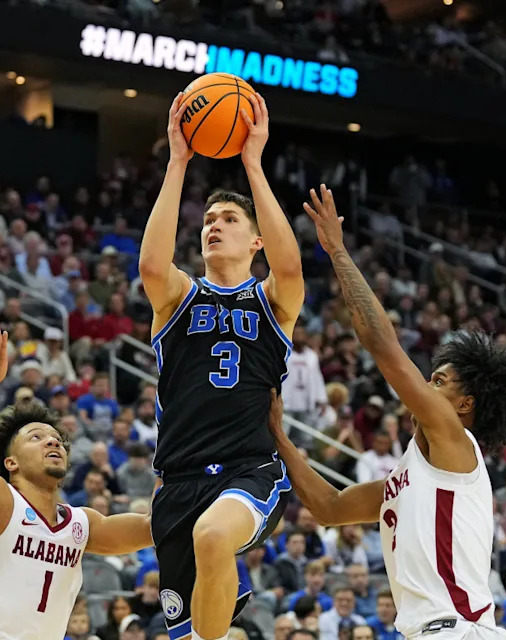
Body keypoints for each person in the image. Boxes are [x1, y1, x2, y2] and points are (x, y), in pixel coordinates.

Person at [268, 186, 506, 640]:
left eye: (440, 382)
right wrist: (277, 433)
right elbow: (329, 508)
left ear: (465, 405)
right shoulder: (408, 477)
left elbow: (382, 344)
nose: (427, 385)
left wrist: (337, 252)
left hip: (458, 632)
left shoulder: (455, 440)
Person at [139, 92, 303, 640]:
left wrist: (253, 162)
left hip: (248, 469)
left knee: (212, 536)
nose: (214, 225)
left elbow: (290, 265)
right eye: (208, 219)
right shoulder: (178, 296)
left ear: (255, 240)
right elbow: (151, 264)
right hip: (179, 479)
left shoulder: (272, 300)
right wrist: (177, 161)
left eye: (230, 219)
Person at [0, 309, 154, 640]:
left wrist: (170, 452)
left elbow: (153, 527)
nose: (52, 441)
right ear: (11, 463)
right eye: (35, 437)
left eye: (56, 438)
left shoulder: (81, 525)